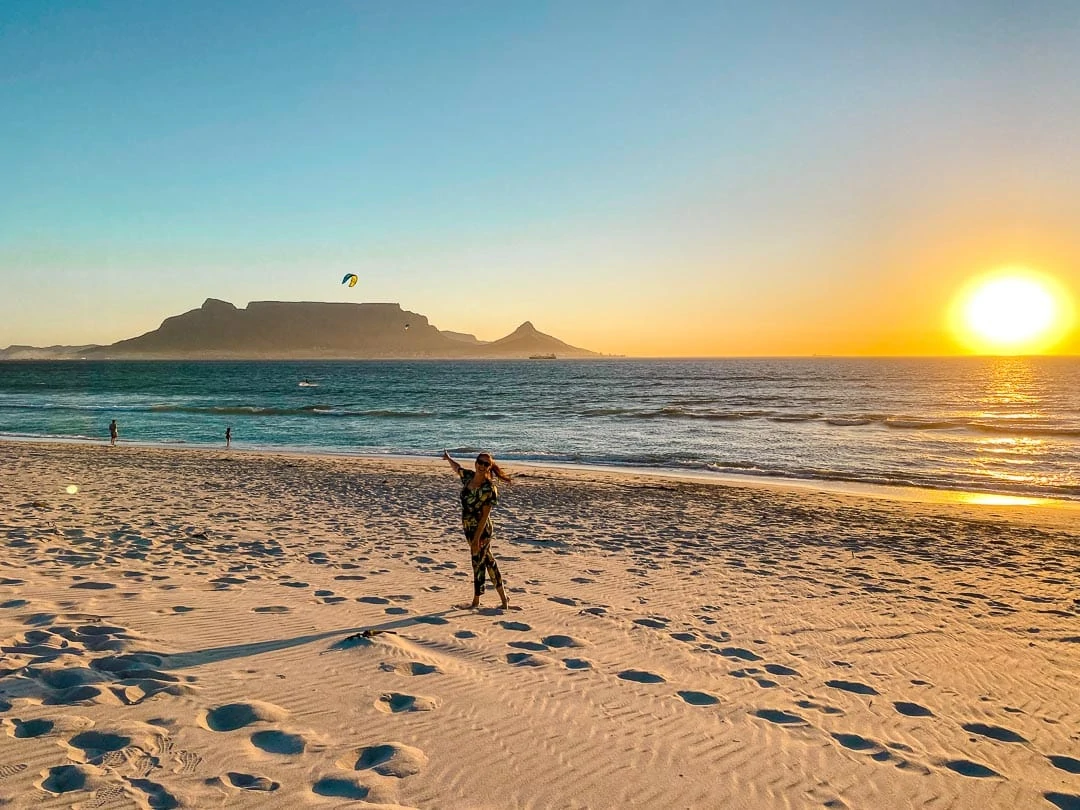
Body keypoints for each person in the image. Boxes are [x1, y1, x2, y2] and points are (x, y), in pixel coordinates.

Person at [443, 450, 511, 610]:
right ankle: (504, 599)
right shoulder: (468, 477)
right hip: (468, 527)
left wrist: (476, 539)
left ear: (489, 467)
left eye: (486, 464)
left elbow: (485, 516)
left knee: (477, 562)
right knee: (488, 561)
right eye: (480, 462)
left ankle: (476, 601)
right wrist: (449, 458)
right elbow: (457, 468)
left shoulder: (489, 489)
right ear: (476, 463)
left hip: (482, 530)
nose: (482, 465)